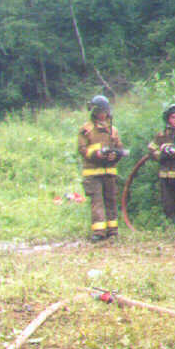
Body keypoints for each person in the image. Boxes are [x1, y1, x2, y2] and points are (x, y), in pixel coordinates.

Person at [78, 95, 124, 242]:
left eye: (104, 111)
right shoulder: (86, 129)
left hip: (109, 172)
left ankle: (112, 231)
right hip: (93, 173)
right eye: (99, 111)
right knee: (97, 201)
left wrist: (115, 156)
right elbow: (82, 149)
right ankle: (99, 232)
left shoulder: (113, 130)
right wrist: (96, 154)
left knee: (111, 200)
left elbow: (119, 148)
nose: (102, 114)